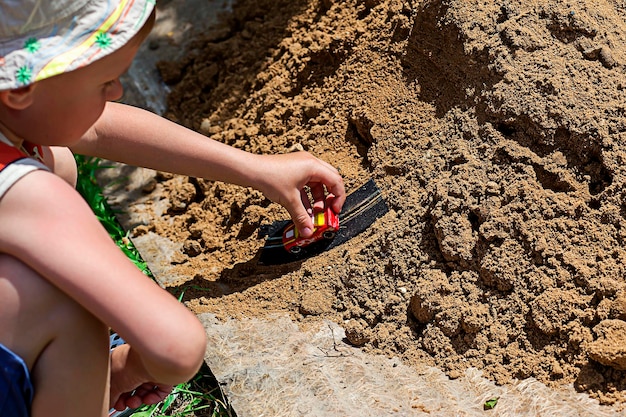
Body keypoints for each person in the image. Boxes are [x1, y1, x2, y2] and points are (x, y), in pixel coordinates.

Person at [0, 1, 346, 416]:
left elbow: (97, 126)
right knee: (75, 309)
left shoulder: (19, 117)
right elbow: (175, 345)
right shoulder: (30, 195)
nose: (117, 92)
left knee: (58, 159)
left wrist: (255, 169)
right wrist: (127, 367)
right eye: (105, 82)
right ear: (21, 88)